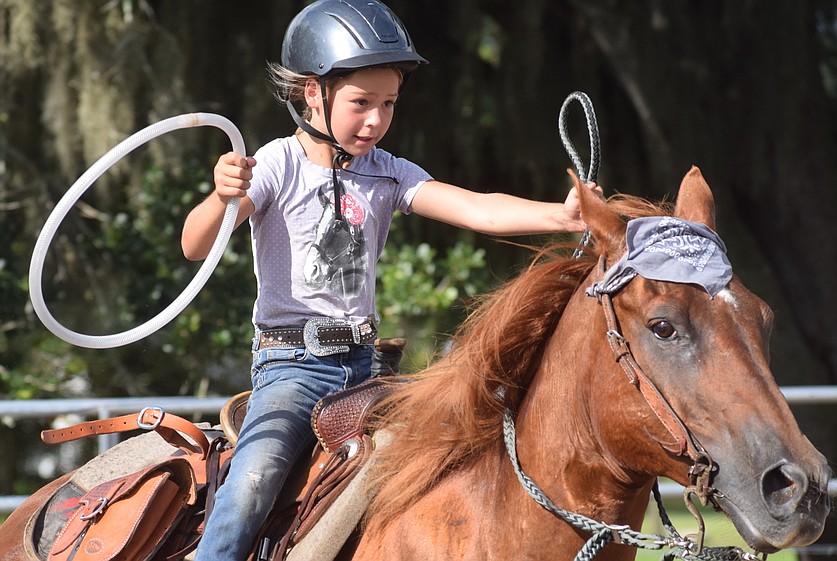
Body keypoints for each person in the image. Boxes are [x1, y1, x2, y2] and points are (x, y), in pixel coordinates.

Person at [181, 0, 600, 559]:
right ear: (312, 93)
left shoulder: (389, 171)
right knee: (252, 484)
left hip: (368, 366)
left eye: (389, 104)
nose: (375, 120)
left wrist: (560, 215)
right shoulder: (275, 165)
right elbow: (194, 245)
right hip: (291, 368)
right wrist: (220, 196)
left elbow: (476, 208)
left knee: (454, 452)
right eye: (361, 103)